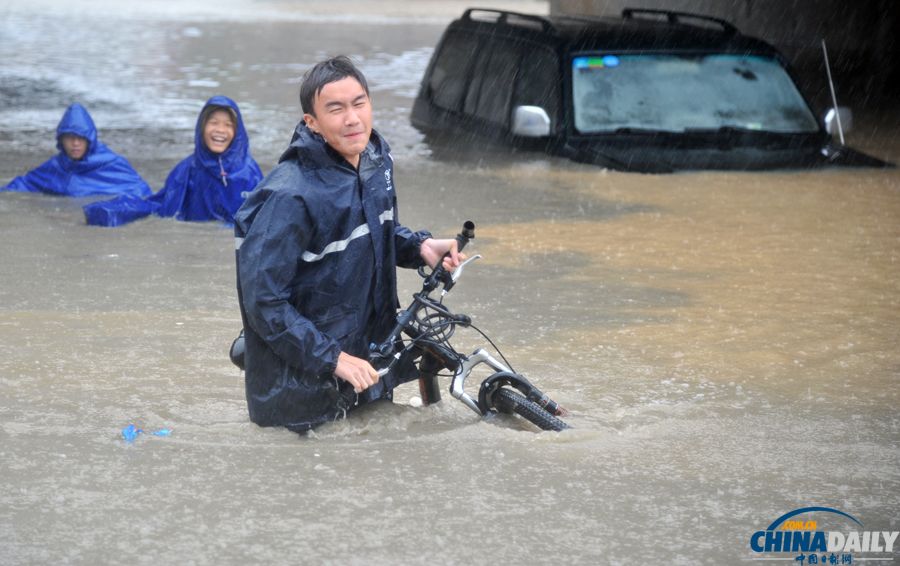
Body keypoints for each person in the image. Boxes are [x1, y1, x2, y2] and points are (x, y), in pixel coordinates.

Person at [234, 56, 461, 433]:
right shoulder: (289, 196)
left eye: (359, 103)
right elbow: (263, 301)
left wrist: (419, 247)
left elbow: (373, 230)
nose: (352, 118)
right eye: (335, 109)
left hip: (368, 367)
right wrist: (333, 358)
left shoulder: (375, 161)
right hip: (300, 398)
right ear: (312, 122)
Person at [83, 95, 262, 226]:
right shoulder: (187, 169)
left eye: (228, 125)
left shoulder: (250, 172)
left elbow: (262, 218)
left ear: (237, 133)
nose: (220, 130)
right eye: (213, 122)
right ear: (202, 127)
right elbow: (161, 206)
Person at [2, 102, 152, 198]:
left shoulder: (112, 164)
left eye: (80, 138)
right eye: (70, 138)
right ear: (61, 140)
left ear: (89, 140)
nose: (75, 144)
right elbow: (23, 185)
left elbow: (142, 193)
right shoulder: (56, 167)